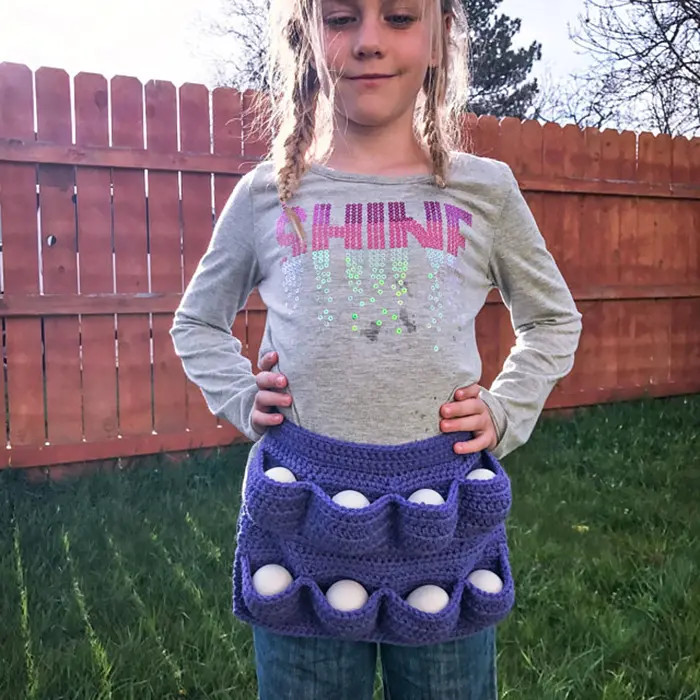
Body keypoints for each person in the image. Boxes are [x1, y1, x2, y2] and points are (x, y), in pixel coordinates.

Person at [170, 0, 583, 697]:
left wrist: (505, 410)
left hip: (442, 521)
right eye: (340, 19)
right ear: (305, 37)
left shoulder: (484, 191)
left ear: (439, 37)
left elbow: (552, 320)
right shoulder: (268, 195)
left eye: (398, 17)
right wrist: (242, 397)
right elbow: (197, 323)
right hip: (302, 521)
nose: (368, 41)